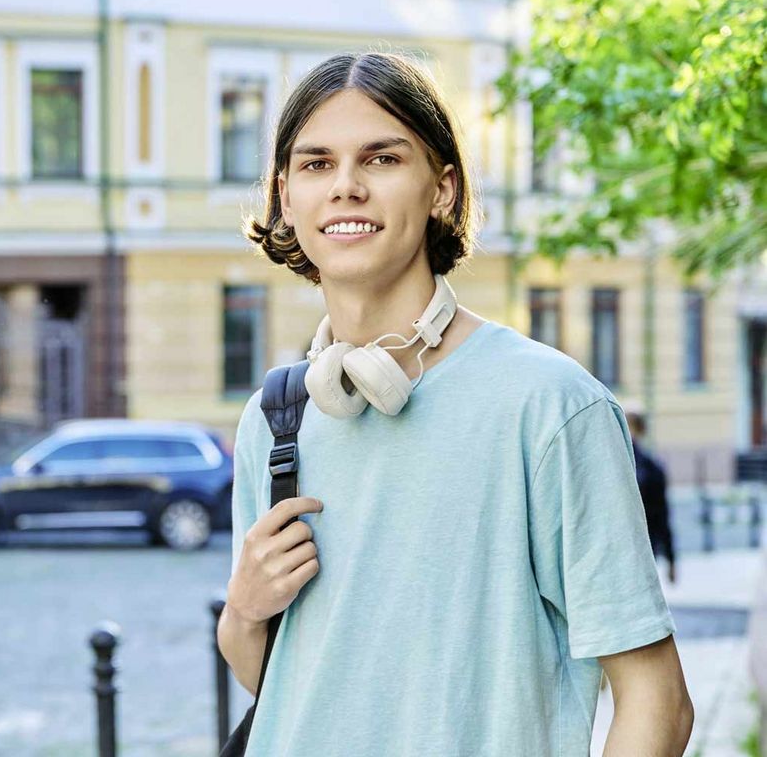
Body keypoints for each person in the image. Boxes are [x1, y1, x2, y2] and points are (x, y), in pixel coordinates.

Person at [217, 52, 693, 755]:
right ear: (287, 198)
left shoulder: (550, 406)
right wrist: (244, 613)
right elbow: (299, 686)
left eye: (380, 159)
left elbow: (658, 702)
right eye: (316, 164)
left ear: (441, 188)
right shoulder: (276, 415)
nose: (345, 187)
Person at [626, 409, 677, 584]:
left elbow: (662, 515)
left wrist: (671, 560)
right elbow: (663, 517)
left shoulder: (649, 466)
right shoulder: (652, 466)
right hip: (644, 546)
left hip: (632, 546)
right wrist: (671, 560)